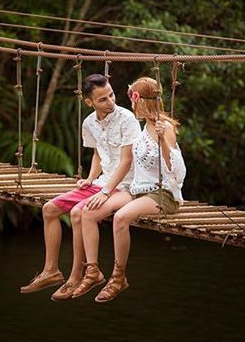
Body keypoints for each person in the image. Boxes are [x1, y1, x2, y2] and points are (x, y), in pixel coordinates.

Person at [20, 73, 141, 301]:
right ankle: (51, 271)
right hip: (102, 182)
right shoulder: (89, 123)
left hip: (123, 185)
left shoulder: (127, 119)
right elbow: (98, 154)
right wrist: (90, 177)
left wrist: (105, 192)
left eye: (112, 95)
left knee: (78, 213)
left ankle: (77, 276)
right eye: (103, 99)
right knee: (49, 208)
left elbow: (127, 161)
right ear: (89, 102)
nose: (111, 101)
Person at [73, 76, 186, 302]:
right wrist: (97, 182)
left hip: (164, 195)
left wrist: (164, 140)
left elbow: (177, 170)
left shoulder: (164, 127)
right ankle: (92, 271)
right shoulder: (145, 127)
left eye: (133, 101)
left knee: (121, 217)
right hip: (139, 191)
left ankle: (118, 276)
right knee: (87, 212)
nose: (130, 106)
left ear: (140, 102)